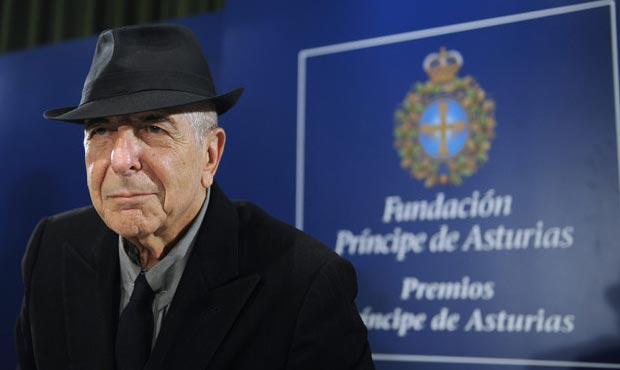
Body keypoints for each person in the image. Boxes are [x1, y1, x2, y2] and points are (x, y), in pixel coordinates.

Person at [15, 24, 374, 370]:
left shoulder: (306, 284)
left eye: (153, 128)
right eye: (101, 131)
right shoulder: (51, 250)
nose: (121, 160)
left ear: (210, 155)